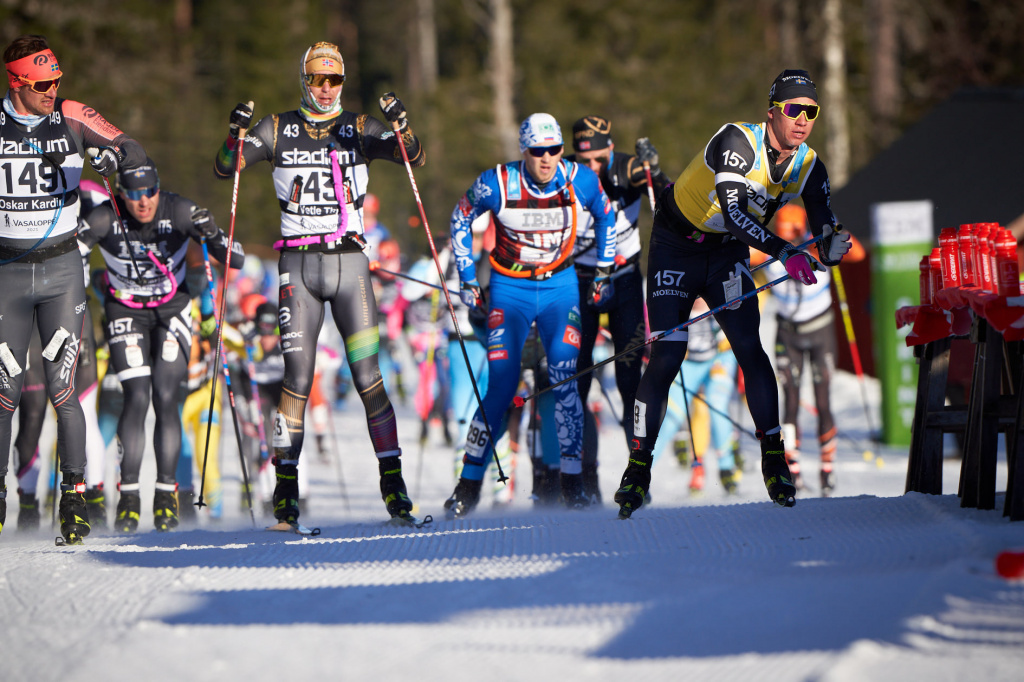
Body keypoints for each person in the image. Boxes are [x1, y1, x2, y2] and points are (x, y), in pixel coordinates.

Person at [614, 69, 852, 516]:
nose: (802, 120)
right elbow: (737, 215)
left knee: (750, 349)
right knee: (668, 355)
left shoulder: (808, 163)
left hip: (725, 254)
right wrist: (785, 252)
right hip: (676, 247)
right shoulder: (736, 142)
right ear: (772, 113)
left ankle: (774, 458)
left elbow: (823, 221)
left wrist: (831, 245)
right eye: (793, 110)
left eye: (811, 112)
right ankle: (638, 465)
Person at [214, 41, 425, 526]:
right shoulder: (277, 127)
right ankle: (285, 494)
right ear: (303, 80)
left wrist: (401, 125)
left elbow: (412, 157)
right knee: (295, 380)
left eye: (334, 81)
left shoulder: (357, 126)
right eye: (316, 79)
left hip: (350, 266)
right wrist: (234, 134)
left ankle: (393, 487)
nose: (325, 89)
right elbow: (227, 167)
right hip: (298, 267)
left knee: (369, 377)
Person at [0, 35, 148, 544]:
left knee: (65, 390)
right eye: (43, 84)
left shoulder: (71, 114)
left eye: (57, 80)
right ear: (16, 82)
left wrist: (114, 162)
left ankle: (75, 497)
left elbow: (133, 150)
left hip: (63, 272)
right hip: (7, 274)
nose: (53, 89)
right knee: (5, 391)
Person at [445, 112, 616, 517]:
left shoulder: (580, 179)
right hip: (511, 289)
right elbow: (459, 219)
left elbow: (607, 216)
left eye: (554, 150)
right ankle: (467, 486)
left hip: (560, 287)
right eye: (538, 152)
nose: (547, 159)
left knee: (564, 379)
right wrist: (468, 279)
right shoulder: (497, 182)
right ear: (524, 150)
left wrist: (605, 270)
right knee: (501, 387)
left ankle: (572, 483)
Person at [80, 159, 244, 532]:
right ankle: (130, 497)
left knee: (166, 397)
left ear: (159, 188)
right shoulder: (106, 217)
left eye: (150, 192)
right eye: (134, 195)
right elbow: (70, 257)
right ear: (121, 193)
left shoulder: (179, 210)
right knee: (136, 396)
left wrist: (213, 233)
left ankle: (167, 496)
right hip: (125, 309)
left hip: (173, 309)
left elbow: (237, 259)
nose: (144, 202)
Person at [567, 115, 670, 500]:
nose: (590, 167)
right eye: (582, 159)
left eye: (597, 159)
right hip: (580, 280)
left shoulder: (627, 167)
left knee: (631, 383)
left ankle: (636, 478)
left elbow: (666, 195)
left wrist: (654, 171)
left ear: (609, 150)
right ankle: (584, 481)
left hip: (624, 279)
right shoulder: (565, 172)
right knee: (577, 383)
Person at [753, 203, 866, 496]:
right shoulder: (771, 248)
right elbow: (742, 254)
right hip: (788, 332)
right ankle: (794, 471)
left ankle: (827, 471)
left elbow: (859, 253)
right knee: (789, 402)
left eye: (792, 233)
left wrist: (834, 231)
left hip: (820, 331)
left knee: (823, 399)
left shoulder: (817, 246)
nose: (787, 240)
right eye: (782, 234)